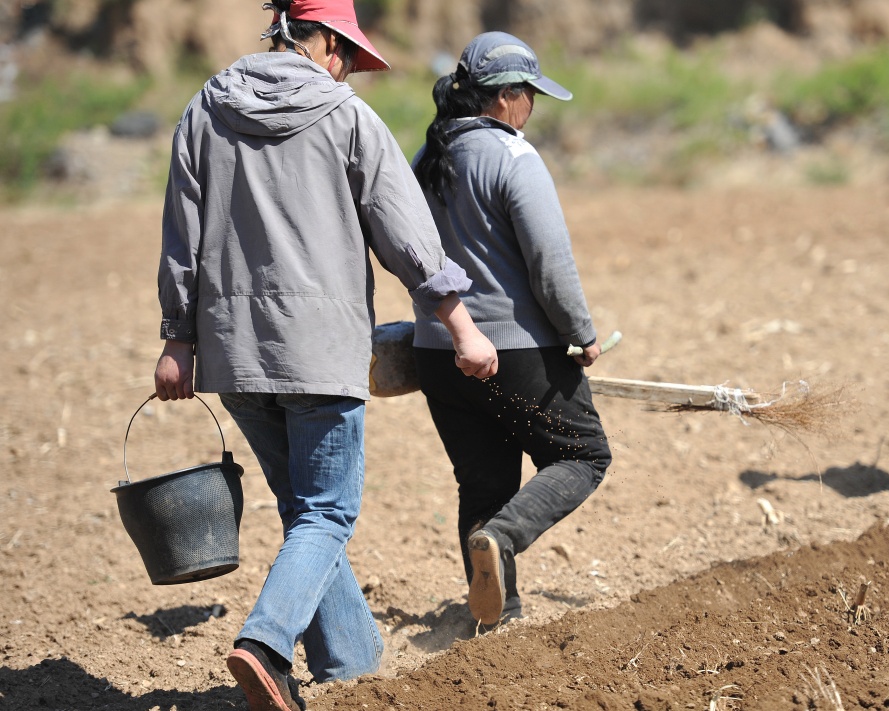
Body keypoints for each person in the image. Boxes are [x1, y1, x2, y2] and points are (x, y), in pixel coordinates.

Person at [153, 2, 497, 709]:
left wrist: (175, 339)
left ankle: (353, 664)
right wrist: (462, 325)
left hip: (234, 354)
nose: (348, 71)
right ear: (330, 45)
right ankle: (266, 644)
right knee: (326, 512)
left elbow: (179, 234)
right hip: (321, 350)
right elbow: (409, 238)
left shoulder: (204, 111)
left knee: (302, 506)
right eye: (350, 56)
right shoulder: (347, 117)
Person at [411, 31, 612, 628]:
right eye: (530, 94)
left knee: (483, 478)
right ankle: (503, 536)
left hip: (439, 351)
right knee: (583, 454)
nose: (533, 108)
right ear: (505, 98)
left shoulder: (427, 158)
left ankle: (497, 618)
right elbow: (550, 264)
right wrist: (582, 332)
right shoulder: (513, 157)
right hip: (515, 349)